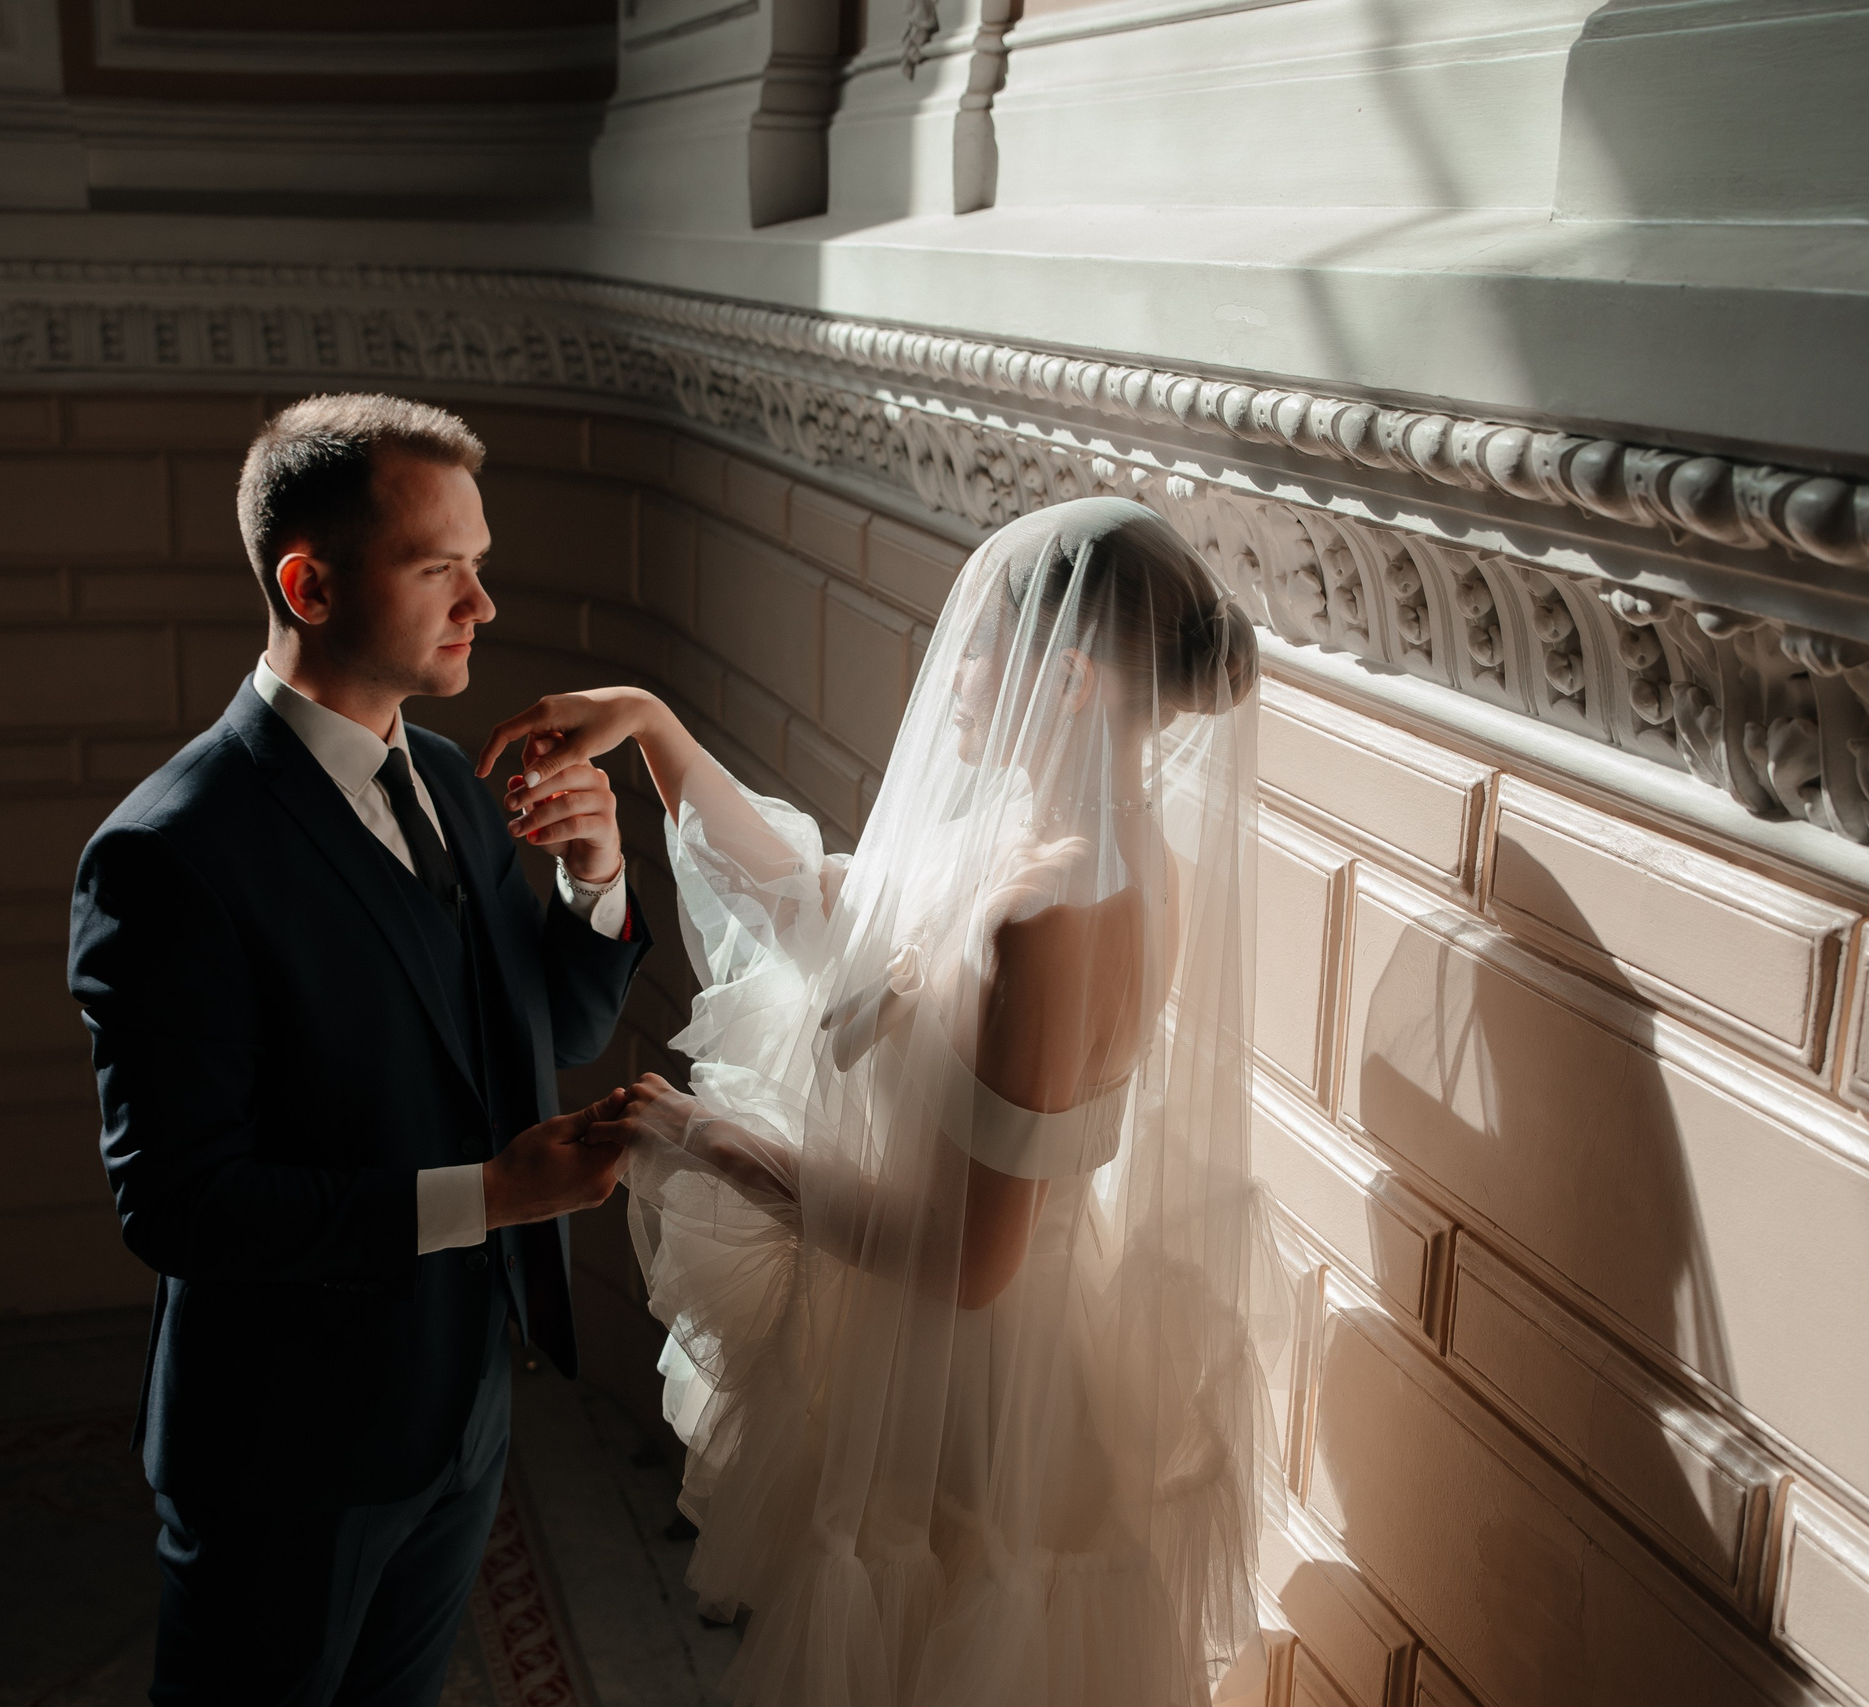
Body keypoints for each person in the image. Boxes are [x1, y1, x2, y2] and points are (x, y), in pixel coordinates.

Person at [476, 495, 1267, 1707]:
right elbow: (812, 906)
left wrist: (701, 1137)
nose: (952, 675)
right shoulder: (1031, 844)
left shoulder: (1051, 917)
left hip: (969, 1403)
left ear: (1066, 680)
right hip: (918, 1362)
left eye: (980, 646)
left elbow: (970, 1263)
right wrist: (648, 723)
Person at [67, 393, 651, 1706]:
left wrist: (594, 875)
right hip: (283, 1446)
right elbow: (179, 1203)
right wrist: (494, 1195)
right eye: (440, 568)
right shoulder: (169, 854)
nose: (482, 604)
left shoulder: (449, 781)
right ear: (309, 585)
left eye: (479, 564)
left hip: (462, 1407)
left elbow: (553, 1032)